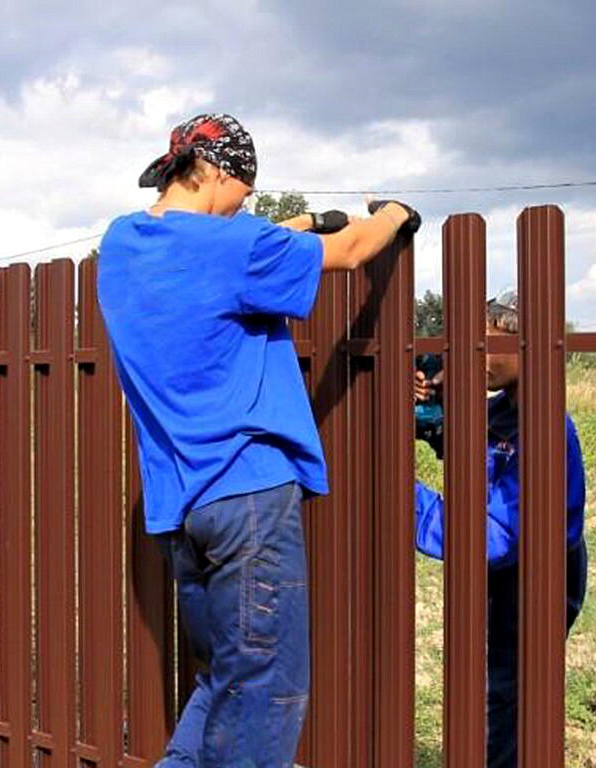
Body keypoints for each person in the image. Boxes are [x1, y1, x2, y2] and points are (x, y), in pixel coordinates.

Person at [97, 112, 421, 768]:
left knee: (221, 683)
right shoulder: (232, 252)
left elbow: (226, 245)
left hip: (180, 509)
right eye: (247, 189)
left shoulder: (123, 243)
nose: (250, 202)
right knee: (267, 695)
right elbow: (356, 252)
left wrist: (302, 224)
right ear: (218, 171)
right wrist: (394, 214)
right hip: (248, 499)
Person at [413, 290, 588, 768]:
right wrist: (434, 413)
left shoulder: (548, 429)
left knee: (506, 687)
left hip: (537, 579)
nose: (479, 355)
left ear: (528, 348)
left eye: (490, 344)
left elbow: (494, 534)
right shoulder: (500, 411)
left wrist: (407, 499)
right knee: (497, 681)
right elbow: (467, 453)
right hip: (507, 575)